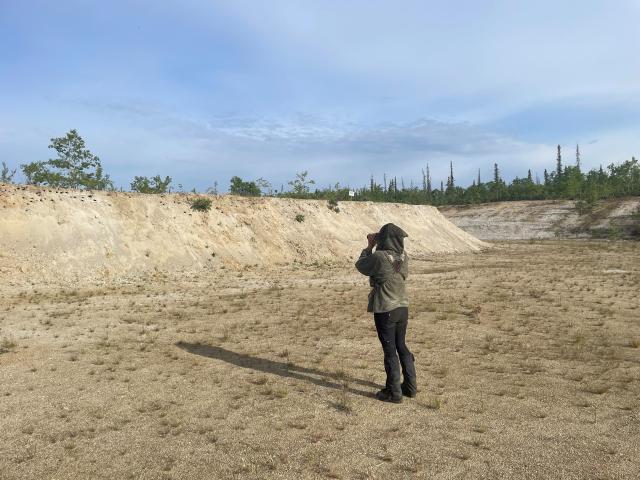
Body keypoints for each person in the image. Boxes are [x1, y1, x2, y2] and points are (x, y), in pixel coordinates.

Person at [355, 223, 417, 403]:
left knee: (390, 350)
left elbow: (361, 266)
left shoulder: (380, 256)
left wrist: (369, 246)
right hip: (402, 307)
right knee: (401, 346)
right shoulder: (404, 257)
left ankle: (394, 392)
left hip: (385, 308)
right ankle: (410, 387)